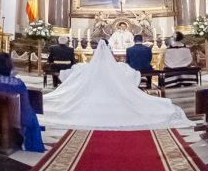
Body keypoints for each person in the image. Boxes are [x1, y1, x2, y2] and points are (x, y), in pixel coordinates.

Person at [42, 39, 190, 130]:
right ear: (109, 49)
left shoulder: (85, 68)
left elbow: (72, 74)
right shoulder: (119, 67)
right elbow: (132, 77)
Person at [0, 53, 44, 153]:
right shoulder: (16, 83)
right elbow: (25, 107)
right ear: (8, 68)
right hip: (9, 119)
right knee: (31, 116)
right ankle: (34, 147)